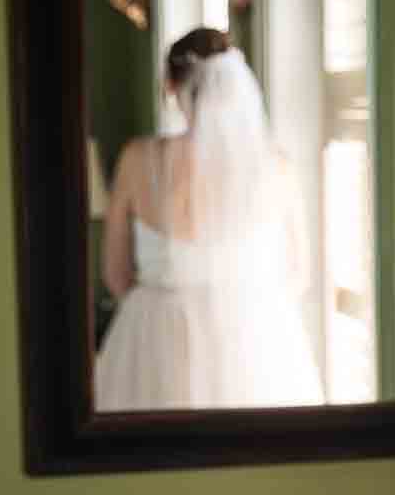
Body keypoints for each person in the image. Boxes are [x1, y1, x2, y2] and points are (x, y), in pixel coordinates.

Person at [94, 27, 325, 411]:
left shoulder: (137, 159)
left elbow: (116, 275)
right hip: (255, 340)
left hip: (154, 340)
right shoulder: (277, 167)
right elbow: (299, 273)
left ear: (170, 85)